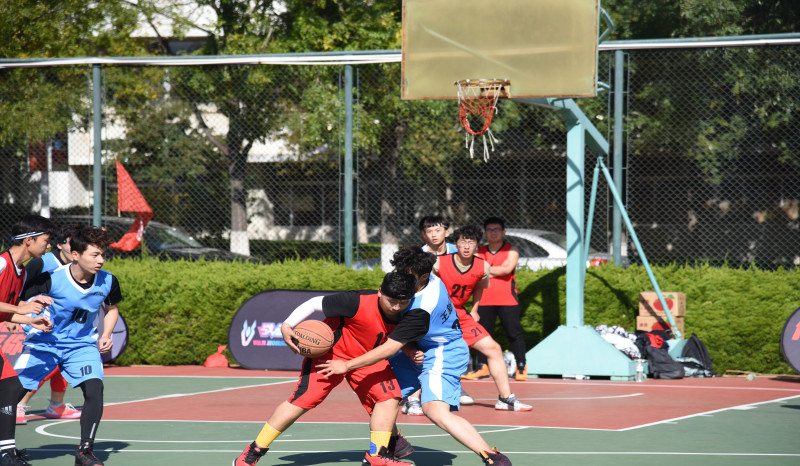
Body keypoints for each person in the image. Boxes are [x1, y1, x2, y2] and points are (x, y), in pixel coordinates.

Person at [318, 246, 513, 466]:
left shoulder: (421, 306)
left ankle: (493, 458)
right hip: (418, 346)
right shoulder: (424, 278)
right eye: (399, 271)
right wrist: (410, 349)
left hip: (442, 352)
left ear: (423, 277)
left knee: (434, 410)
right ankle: (390, 445)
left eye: (407, 275)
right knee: (381, 394)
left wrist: (347, 364)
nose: (401, 278)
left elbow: (389, 348)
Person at [233, 272, 418, 466]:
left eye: (402, 302)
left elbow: (398, 337)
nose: (396, 307)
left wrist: (412, 350)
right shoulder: (356, 301)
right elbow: (313, 303)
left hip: (368, 358)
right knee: (303, 401)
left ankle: (377, 457)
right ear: (380, 292)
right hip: (329, 356)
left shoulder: (412, 311)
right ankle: (253, 451)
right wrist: (287, 325)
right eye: (392, 301)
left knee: (389, 398)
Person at [16, 226, 122, 466]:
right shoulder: (51, 278)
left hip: (81, 346)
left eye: (103, 254)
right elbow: (20, 300)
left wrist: (106, 334)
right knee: (12, 394)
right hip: (45, 343)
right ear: (75, 255)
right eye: (94, 255)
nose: (101, 260)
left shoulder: (108, 280)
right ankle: (7, 449)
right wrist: (28, 310)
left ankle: (85, 451)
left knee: (94, 390)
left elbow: (112, 309)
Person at [435, 226, 531, 411]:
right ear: (455, 244)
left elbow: (479, 285)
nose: (466, 246)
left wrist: (475, 309)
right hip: (436, 314)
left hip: (459, 314)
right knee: (424, 352)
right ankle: (413, 398)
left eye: (471, 242)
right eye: (462, 242)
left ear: (477, 245)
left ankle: (505, 399)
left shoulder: (482, 266)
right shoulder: (439, 263)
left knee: (494, 349)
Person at [12, 224, 82, 425]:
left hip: (60, 322)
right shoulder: (42, 262)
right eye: (72, 244)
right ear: (60, 245)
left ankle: (56, 405)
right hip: (36, 318)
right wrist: (13, 315)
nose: (76, 248)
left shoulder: (79, 265)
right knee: (46, 360)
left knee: (64, 356)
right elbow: (20, 290)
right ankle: (18, 404)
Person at [0, 214, 55, 466]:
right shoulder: (2, 264)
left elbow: (6, 311)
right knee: (9, 387)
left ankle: (7, 453)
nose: (49, 246)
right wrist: (21, 309)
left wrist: (30, 319)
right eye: (46, 240)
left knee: (10, 387)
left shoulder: (21, 272)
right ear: (29, 240)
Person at [402, 216, 471, 415]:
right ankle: (413, 397)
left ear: (447, 232)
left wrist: (474, 306)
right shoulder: (417, 257)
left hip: (446, 310)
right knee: (414, 351)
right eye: (429, 230)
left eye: (437, 230)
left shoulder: (456, 252)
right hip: (427, 313)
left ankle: (448, 384)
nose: (433, 234)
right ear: (423, 234)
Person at [474, 217, 527, 381]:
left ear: (503, 232)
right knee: (482, 335)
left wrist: (487, 270)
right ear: (485, 233)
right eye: (490, 230)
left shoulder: (512, 249)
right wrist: (498, 269)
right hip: (484, 299)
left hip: (507, 299)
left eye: (497, 229)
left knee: (514, 334)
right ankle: (482, 367)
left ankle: (521, 367)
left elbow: (507, 269)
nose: (493, 233)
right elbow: (476, 270)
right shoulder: (479, 251)